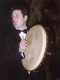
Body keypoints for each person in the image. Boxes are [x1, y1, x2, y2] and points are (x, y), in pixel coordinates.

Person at [0, 5, 28, 80]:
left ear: (25, 18)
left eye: (17, 16)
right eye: (12, 17)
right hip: (19, 76)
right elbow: (5, 60)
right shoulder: (7, 38)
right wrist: (19, 51)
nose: (14, 19)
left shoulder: (35, 32)